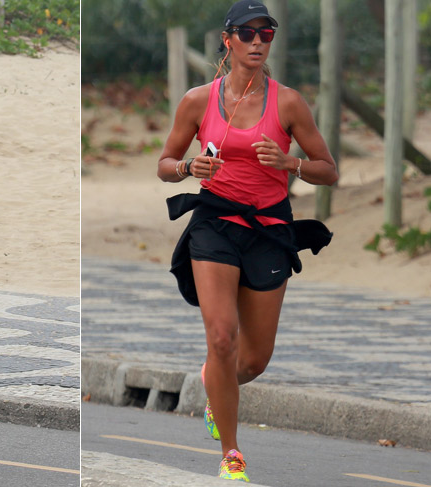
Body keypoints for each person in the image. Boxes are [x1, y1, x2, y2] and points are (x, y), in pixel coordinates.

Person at [157, 0, 338, 482]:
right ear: (227, 39)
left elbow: (329, 170)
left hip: (269, 230)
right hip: (215, 224)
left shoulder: (290, 103)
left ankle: (216, 386)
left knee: (253, 360)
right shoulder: (198, 100)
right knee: (221, 338)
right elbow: (164, 164)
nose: (258, 41)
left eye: (267, 33)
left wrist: (289, 164)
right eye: (248, 33)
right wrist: (187, 168)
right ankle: (231, 453)